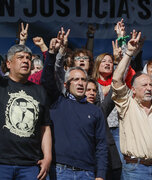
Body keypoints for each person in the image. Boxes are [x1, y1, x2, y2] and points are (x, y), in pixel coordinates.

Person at [41, 32, 108, 180]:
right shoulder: (57, 102)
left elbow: (101, 146)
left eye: (83, 80)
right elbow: (46, 79)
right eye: (75, 79)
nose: (80, 83)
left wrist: (101, 175)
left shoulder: (96, 111)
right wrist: (51, 53)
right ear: (66, 84)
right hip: (59, 171)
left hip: (87, 173)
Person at [112, 30, 152, 180]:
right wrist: (128, 53)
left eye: (150, 85)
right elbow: (116, 80)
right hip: (135, 169)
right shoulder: (126, 105)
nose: (148, 88)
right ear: (133, 90)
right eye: (144, 85)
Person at [0, 44, 52, 180]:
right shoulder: (1, 85)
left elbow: (45, 128)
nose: (25, 61)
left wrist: (47, 157)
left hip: (30, 165)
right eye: (20, 57)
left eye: (28, 58)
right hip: (2, 163)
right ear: (9, 63)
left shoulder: (40, 91)